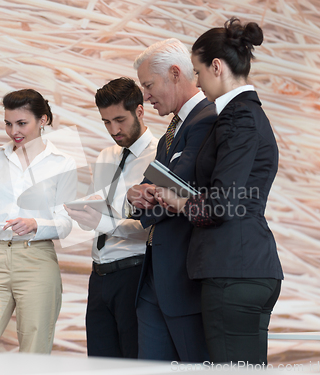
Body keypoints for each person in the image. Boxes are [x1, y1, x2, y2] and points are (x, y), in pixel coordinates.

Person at [155, 18, 284, 365]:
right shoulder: (247, 115)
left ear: (216, 66)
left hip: (233, 268)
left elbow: (221, 206)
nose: (196, 82)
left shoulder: (237, 117)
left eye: (197, 72)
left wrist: (176, 201)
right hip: (246, 267)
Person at [126, 38, 217, 362]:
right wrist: (134, 194)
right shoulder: (174, 128)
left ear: (176, 74)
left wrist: (152, 194)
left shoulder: (208, 119)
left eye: (149, 86)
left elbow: (183, 192)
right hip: (155, 277)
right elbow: (153, 186)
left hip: (184, 278)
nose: (145, 96)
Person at [0, 89, 76, 354]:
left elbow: (65, 224)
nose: (13, 131)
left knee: (34, 354)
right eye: (8, 123)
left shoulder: (63, 163)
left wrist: (37, 224)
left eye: (21, 123)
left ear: (43, 121)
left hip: (36, 262)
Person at [65, 77, 158, 358]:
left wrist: (102, 221)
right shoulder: (106, 155)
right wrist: (81, 213)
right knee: (100, 363)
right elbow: (98, 213)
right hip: (100, 274)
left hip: (136, 273)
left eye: (119, 119)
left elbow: (149, 226)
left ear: (139, 111)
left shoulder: (160, 155)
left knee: (134, 361)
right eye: (106, 122)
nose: (114, 130)